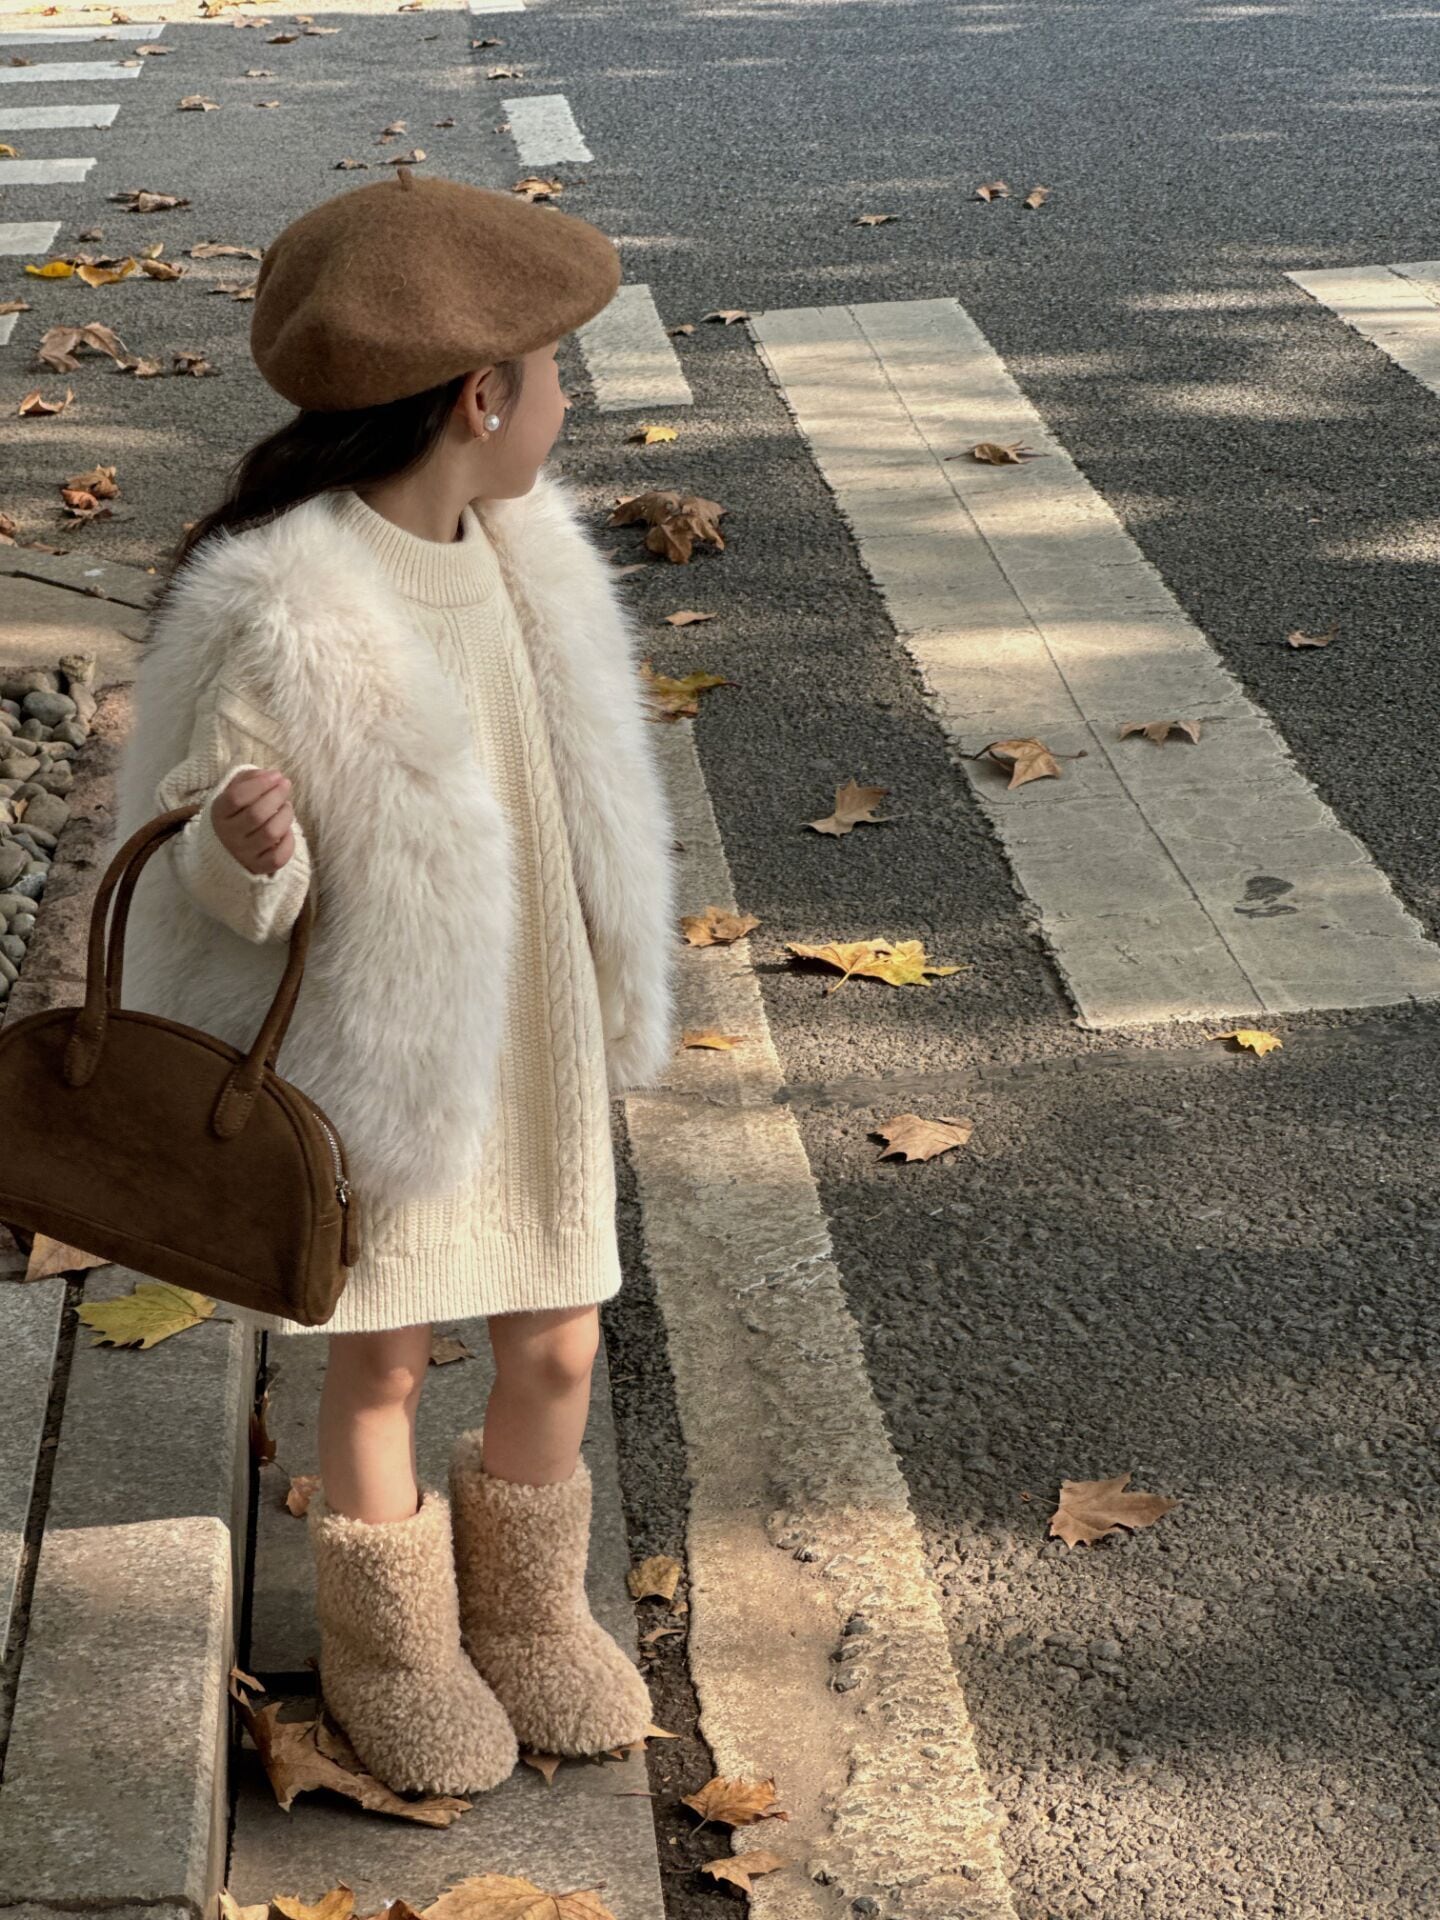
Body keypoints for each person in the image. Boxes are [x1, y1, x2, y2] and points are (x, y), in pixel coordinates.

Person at [107, 167, 679, 1798]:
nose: (565, 404)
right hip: (388, 1052)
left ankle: (530, 1617)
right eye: (553, 373)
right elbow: (214, 880)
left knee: (557, 1338)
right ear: (480, 397)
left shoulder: (526, 555)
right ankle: (393, 1649)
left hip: (533, 1032)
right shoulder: (289, 604)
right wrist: (246, 845)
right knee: (385, 1359)